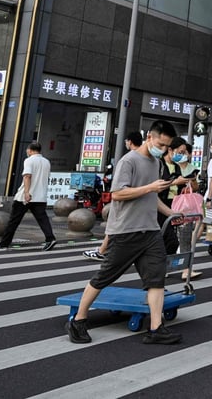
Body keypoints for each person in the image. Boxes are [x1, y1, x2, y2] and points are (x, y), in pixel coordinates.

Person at [66, 119, 181, 345]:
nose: (164, 149)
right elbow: (117, 194)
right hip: (126, 231)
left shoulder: (157, 164)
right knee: (104, 277)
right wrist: (149, 187)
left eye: (167, 146)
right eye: (161, 143)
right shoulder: (129, 161)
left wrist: (172, 213)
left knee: (156, 279)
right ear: (149, 137)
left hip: (150, 231)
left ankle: (156, 328)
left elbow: (152, 197)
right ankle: (78, 320)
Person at [83, 130, 145, 261]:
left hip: (128, 199)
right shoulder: (148, 159)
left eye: (126, 141)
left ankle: (104, 252)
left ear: (130, 142)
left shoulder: (129, 158)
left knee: (116, 225)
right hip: (140, 200)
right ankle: (104, 250)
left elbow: (117, 193)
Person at [0, 143, 57, 251]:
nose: (27, 152)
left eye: (27, 150)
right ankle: (50, 238)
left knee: (14, 220)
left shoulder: (29, 160)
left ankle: (4, 243)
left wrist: (26, 192)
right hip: (40, 196)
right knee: (43, 219)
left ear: (30, 150)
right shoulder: (46, 162)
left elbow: (27, 176)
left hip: (25, 197)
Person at [167, 137, 201, 280]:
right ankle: (164, 267)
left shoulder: (191, 168)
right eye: (180, 151)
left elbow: (196, 188)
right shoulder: (168, 165)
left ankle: (186, 270)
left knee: (185, 237)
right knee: (167, 238)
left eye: (184, 152)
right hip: (167, 204)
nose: (182, 154)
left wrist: (192, 181)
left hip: (184, 206)